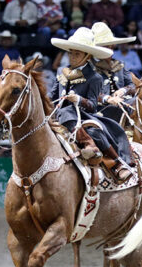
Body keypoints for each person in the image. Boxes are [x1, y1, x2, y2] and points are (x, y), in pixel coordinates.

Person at [50, 27, 132, 183]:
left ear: (87, 56)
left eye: (77, 54)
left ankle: (116, 163)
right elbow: (51, 97)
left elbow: (93, 105)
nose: (72, 57)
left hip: (82, 116)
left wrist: (78, 100)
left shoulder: (94, 77)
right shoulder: (62, 72)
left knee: (96, 133)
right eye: (70, 53)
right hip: (59, 116)